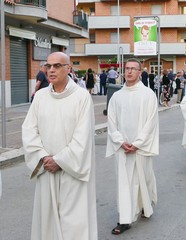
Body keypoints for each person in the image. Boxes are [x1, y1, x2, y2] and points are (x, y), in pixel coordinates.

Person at [22, 52, 97, 240]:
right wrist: (42, 157)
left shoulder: (81, 97)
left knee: (73, 224)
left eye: (57, 66)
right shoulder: (40, 97)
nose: (51, 70)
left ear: (68, 69)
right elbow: (29, 130)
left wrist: (60, 160)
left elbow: (83, 136)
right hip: (46, 168)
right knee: (46, 221)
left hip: (72, 171)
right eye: (49, 66)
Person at [106, 58, 159, 235]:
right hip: (122, 148)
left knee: (142, 178)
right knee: (124, 182)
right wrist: (120, 141)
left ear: (140, 72)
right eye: (126, 69)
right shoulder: (117, 96)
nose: (129, 72)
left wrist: (137, 144)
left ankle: (145, 204)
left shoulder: (148, 94)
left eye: (133, 69)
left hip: (140, 147)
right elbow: (111, 122)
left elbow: (151, 122)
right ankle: (125, 219)